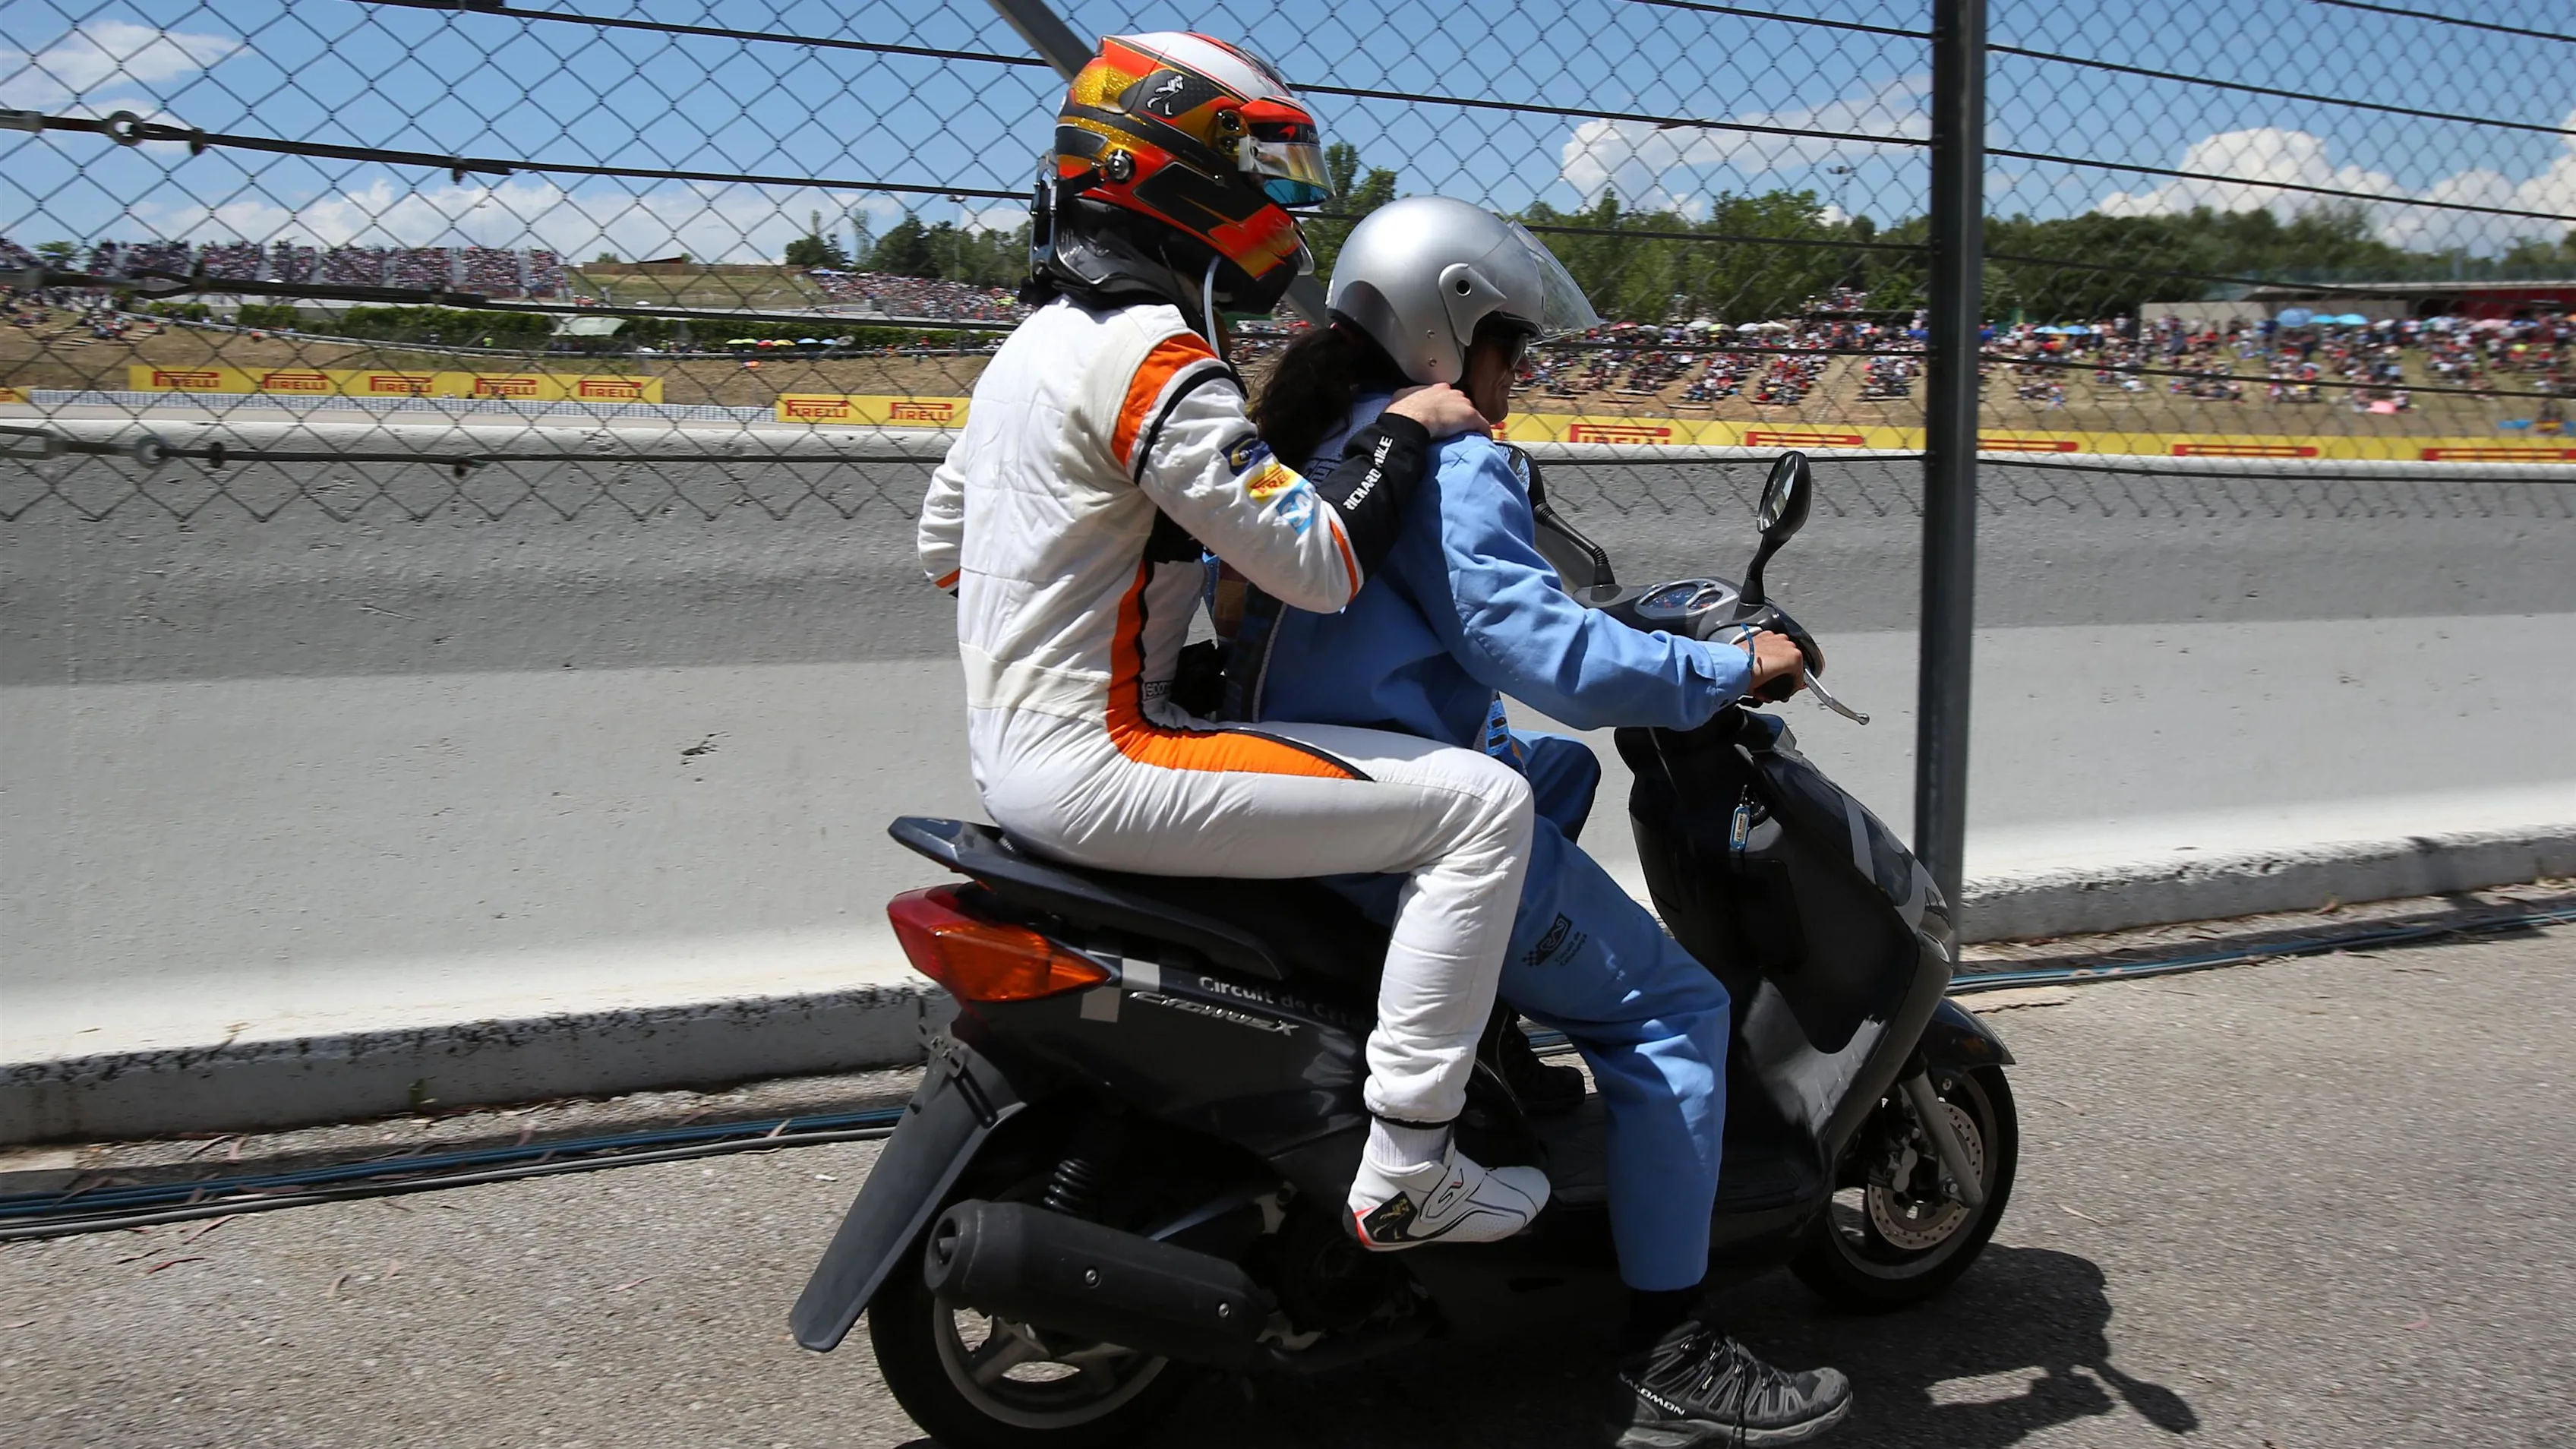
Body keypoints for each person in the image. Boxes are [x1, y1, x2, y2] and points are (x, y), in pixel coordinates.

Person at [1229, 196, 1853, 1447]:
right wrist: (1729, 671)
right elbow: (1534, 646)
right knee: (1677, 1013)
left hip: (1310, 797)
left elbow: (1477, 641)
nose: (1521, 376)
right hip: (1398, 833)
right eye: (1512, 346)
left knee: (1556, 780)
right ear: (1447, 331)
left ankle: (1489, 1074)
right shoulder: (1450, 454)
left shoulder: (1319, 442)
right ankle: (1671, 1354)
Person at [916, 34, 1549, 1251]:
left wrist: (1116, 607)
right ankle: (1414, 1163)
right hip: (1105, 761)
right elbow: (1313, 567)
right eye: (1261, 162)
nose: (1286, 198)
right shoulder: (1152, 349)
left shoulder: (1030, 348)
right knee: (1484, 809)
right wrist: (1407, 429)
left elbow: (946, 543)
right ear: (1174, 170)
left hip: (1028, 753)